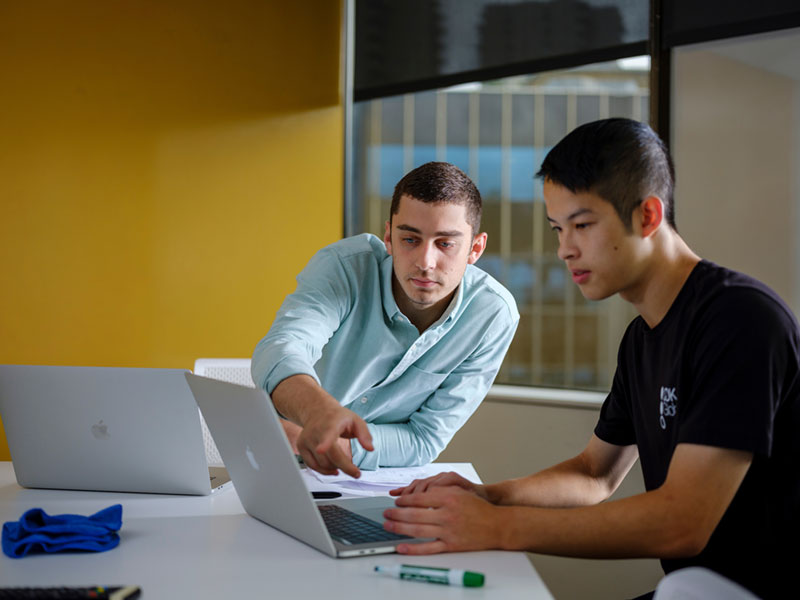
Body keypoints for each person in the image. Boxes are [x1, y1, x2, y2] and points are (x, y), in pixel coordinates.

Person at [382, 119, 799, 599]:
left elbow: (683, 524)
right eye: (559, 229)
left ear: (647, 216)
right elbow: (594, 474)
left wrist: (498, 527)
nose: (564, 249)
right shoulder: (642, 338)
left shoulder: (740, 319)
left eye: (582, 225)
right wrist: (486, 495)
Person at [251, 161, 519, 479]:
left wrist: (328, 442)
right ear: (389, 237)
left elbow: (425, 438)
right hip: (274, 464)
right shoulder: (344, 267)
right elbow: (280, 349)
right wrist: (317, 412)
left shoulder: (492, 316)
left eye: (445, 243)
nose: (425, 262)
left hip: (370, 479)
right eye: (410, 240)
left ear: (475, 248)